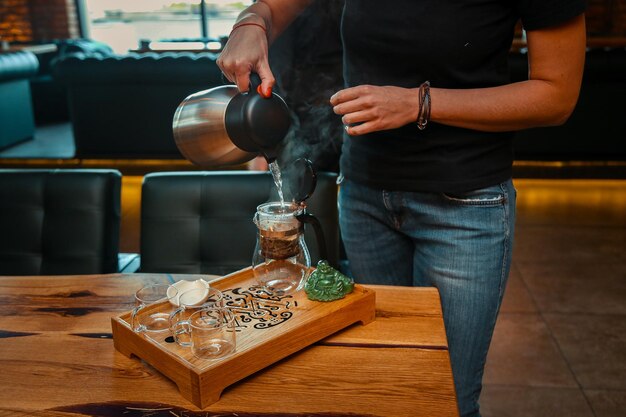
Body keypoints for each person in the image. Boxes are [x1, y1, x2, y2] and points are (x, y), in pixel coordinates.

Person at [217, 1, 586, 416]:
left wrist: (418, 103)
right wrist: (252, 22)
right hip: (364, 198)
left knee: (444, 398)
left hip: (463, 205)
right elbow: (274, 6)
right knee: (387, 387)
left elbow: (557, 95)